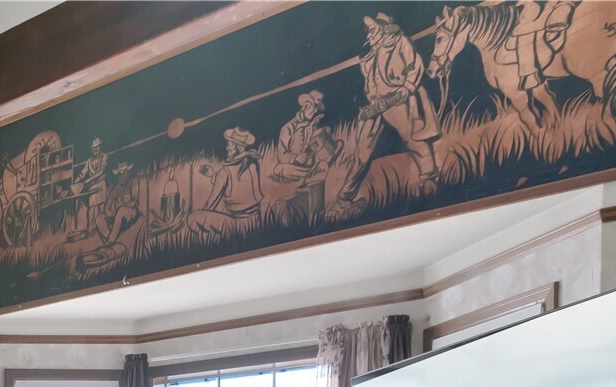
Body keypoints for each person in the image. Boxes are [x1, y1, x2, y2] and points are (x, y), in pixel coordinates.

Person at [340, 12, 441, 202]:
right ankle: (347, 192)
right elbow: (370, 81)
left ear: (384, 28)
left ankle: (429, 178)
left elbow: (415, 67)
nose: (369, 36)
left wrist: (405, 89)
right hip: (377, 106)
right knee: (363, 149)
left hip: (398, 101)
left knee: (413, 139)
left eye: (372, 30)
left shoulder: (401, 43)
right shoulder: (372, 53)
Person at [271, 91, 338, 225]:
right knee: (282, 169)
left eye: (316, 109)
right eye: (313, 109)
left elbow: (312, 145)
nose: (314, 112)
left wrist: (323, 133)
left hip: (309, 164)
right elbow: (281, 156)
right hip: (292, 166)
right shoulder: (287, 128)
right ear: (306, 106)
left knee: (333, 152)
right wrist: (296, 158)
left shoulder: (311, 126)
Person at [189, 128, 263, 238]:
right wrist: (214, 175)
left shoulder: (224, 172)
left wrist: (202, 212)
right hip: (256, 220)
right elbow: (236, 182)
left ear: (238, 147)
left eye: (230, 145)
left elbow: (210, 205)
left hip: (237, 224)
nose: (227, 147)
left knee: (193, 217)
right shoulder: (252, 164)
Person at [72, 137, 108, 232]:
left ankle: (102, 229)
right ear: (91, 149)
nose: (95, 149)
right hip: (92, 187)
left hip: (101, 184)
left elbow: (101, 171)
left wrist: (88, 180)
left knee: (101, 209)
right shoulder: (89, 161)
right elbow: (82, 173)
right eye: (93, 147)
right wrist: (75, 182)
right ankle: (90, 230)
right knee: (91, 208)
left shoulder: (104, 156)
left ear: (100, 147)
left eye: (97, 147)